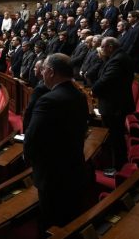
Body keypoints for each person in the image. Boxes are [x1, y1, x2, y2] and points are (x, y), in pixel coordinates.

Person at [23, 53, 89, 232]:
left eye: (43, 69)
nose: (42, 73)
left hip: (52, 174)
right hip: (74, 167)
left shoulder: (48, 100)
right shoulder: (80, 96)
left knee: (51, 222)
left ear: (51, 72)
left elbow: (32, 136)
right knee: (69, 220)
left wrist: (28, 158)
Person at [90, 37, 134, 170]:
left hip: (114, 106)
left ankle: (117, 167)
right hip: (114, 104)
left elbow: (106, 80)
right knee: (114, 137)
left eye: (103, 47)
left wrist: (94, 90)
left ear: (110, 47)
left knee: (115, 137)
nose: (101, 50)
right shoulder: (117, 57)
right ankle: (114, 164)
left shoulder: (118, 60)